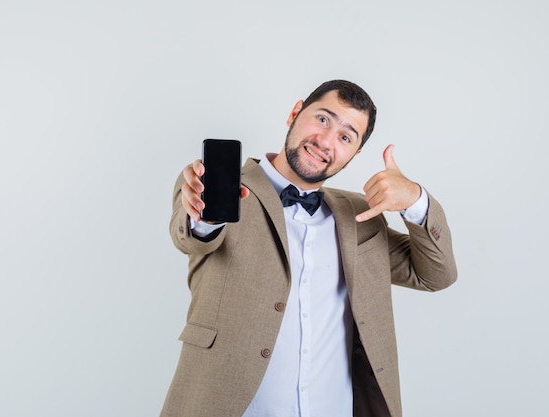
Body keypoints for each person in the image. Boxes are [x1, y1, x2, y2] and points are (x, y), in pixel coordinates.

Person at [160, 80, 457, 417]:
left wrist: (415, 202)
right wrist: (204, 214)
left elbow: (436, 275)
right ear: (295, 112)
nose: (327, 141)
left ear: (354, 154)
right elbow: (191, 236)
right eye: (323, 119)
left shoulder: (362, 216)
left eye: (346, 137)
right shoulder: (218, 189)